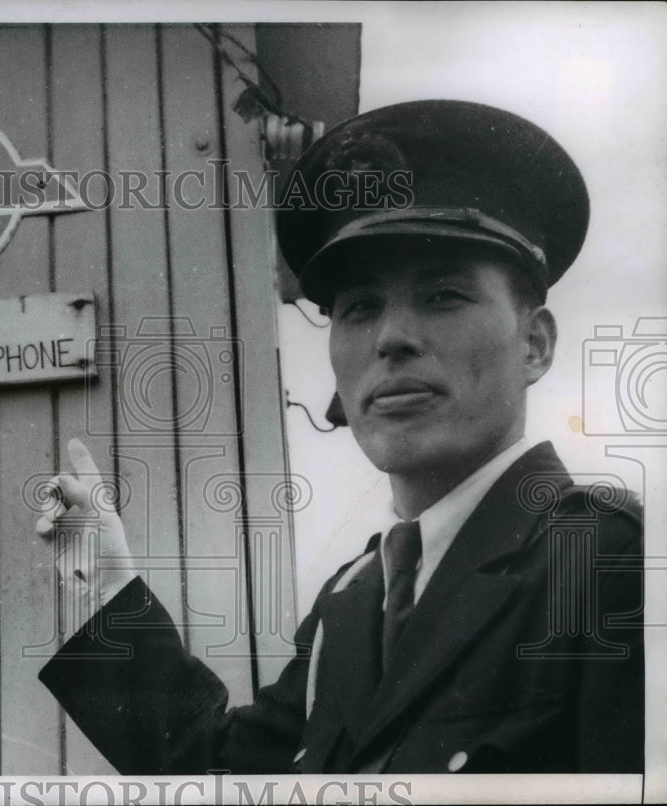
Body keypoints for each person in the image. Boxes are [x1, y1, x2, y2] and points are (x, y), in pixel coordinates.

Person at [34, 100, 644, 774]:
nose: (391, 337)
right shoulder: (351, 602)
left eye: (443, 295)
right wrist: (110, 587)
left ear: (534, 344)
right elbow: (219, 778)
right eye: (359, 308)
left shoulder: (612, 566)